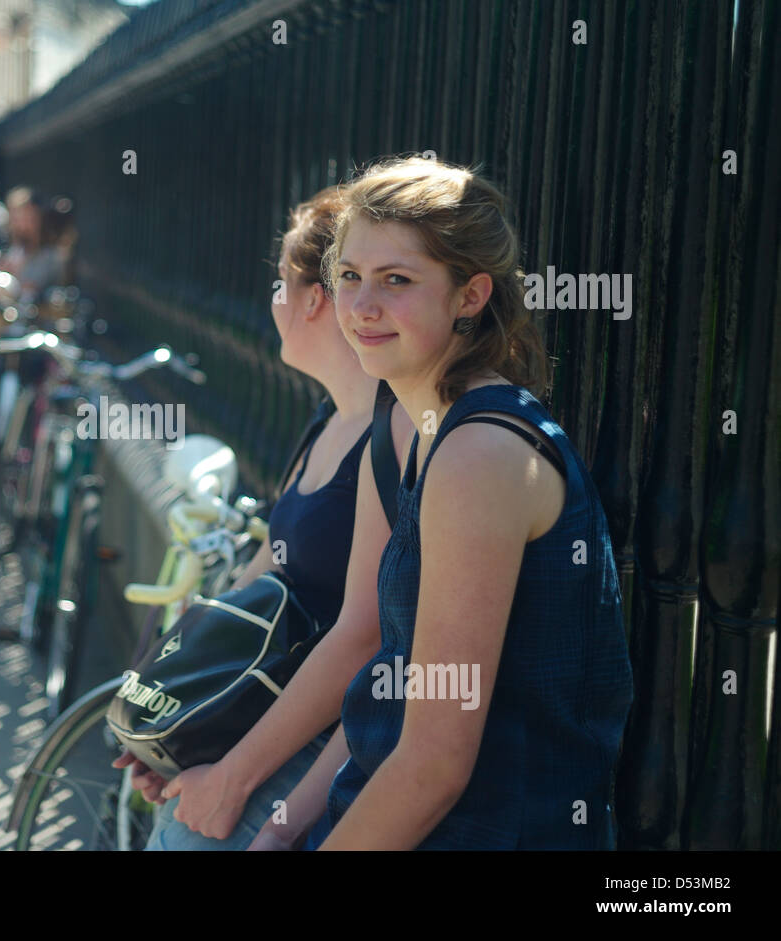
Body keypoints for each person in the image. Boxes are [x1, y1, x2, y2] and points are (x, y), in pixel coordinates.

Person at [253, 156, 634, 850]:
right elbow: (386, 698)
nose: (361, 305)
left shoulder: (480, 456)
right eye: (348, 276)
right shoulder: (427, 431)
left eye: (396, 280)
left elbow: (434, 766)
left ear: (469, 294)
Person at [115, 187, 412, 850]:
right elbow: (256, 583)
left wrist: (237, 779)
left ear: (312, 298)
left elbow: (368, 645)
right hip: (276, 716)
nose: (273, 302)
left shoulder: (391, 436)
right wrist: (181, 729)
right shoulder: (329, 419)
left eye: (281, 282)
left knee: (179, 838)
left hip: (326, 737)